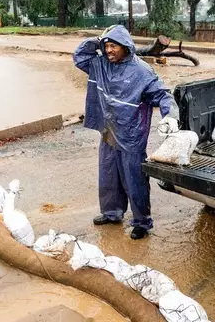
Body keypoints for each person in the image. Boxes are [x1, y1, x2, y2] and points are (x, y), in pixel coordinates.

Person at [73, 25, 180, 240]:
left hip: (131, 136)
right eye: (107, 46)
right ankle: (112, 213)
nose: (109, 50)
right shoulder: (100, 64)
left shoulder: (141, 71)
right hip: (108, 131)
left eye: (114, 46)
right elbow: (79, 56)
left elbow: (163, 96)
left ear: (126, 47)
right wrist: (98, 39)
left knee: (134, 179)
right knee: (108, 175)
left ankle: (142, 222)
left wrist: (171, 116)